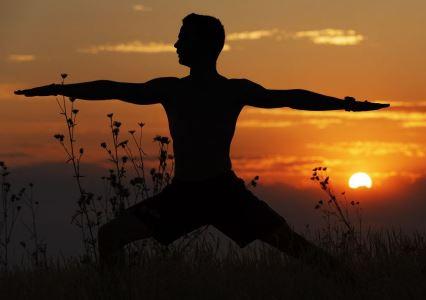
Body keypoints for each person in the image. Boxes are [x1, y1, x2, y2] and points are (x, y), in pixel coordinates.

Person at [15, 13, 389, 267]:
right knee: (110, 236)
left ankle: (357, 285)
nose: (175, 45)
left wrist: (347, 105)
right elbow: (112, 88)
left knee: (298, 249)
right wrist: (59, 89)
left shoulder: (230, 91)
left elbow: (291, 96)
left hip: (224, 193)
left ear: (203, 47)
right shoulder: (171, 89)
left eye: (182, 39)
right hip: (183, 196)